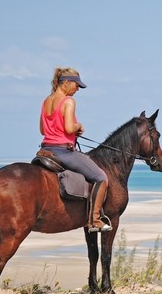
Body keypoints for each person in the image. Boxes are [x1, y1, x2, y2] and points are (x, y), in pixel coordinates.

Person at [39, 67, 112, 232]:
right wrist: (78, 126)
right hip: (63, 151)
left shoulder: (46, 101)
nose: (77, 89)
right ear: (65, 83)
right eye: (76, 85)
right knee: (101, 177)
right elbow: (69, 127)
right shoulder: (68, 101)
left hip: (46, 149)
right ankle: (94, 220)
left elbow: (43, 130)